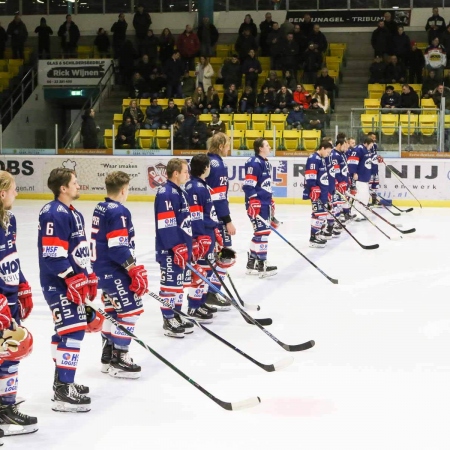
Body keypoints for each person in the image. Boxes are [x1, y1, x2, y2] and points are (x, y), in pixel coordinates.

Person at [38, 167, 98, 412]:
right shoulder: (53, 213)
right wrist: (72, 278)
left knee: (66, 331)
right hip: (58, 284)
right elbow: (53, 255)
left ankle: (62, 381)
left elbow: (79, 251)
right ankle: (64, 389)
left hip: (72, 283)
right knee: (73, 332)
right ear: (63, 188)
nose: (78, 185)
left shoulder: (73, 212)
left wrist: (88, 275)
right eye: (74, 182)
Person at [91, 171, 148, 378]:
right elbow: (117, 247)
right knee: (130, 311)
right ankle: (119, 358)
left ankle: (107, 356)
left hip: (102, 270)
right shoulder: (119, 211)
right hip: (115, 270)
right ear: (124, 189)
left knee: (112, 312)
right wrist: (132, 268)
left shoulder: (101, 207)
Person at [0, 171, 37, 434]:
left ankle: (6, 405)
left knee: (12, 353)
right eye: (14, 189)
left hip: (10, 300)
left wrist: (22, 285)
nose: (17, 193)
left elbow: (11, 256)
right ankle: (5, 409)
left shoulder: (9, 220)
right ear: (2, 193)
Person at [154, 158, 193, 337]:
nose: (188, 175)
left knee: (177, 285)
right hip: (169, 249)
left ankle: (176, 313)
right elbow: (166, 223)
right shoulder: (165, 193)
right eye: (185, 171)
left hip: (180, 247)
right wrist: (175, 246)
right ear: (176, 173)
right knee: (170, 285)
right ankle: (168, 318)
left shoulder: (179, 192)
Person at [204, 133, 235, 310]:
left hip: (205, 217)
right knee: (226, 255)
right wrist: (227, 220)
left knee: (208, 257)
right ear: (221, 145)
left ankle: (206, 292)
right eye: (228, 144)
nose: (229, 147)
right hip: (216, 218)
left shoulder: (206, 160)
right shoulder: (218, 164)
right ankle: (212, 291)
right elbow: (219, 196)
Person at [243, 138, 277, 278]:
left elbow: (264, 185)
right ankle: (262, 264)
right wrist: (253, 201)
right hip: (258, 204)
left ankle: (252, 263)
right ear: (260, 148)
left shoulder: (265, 162)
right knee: (263, 232)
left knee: (260, 232)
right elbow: (248, 185)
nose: (270, 147)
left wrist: (270, 199)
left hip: (264, 202)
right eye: (267, 145)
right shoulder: (254, 162)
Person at [302, 140, 333, 247]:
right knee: (318, 214)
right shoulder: (313, 158)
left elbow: (323, 177)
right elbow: (310, 175)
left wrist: (327, 192)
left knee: (322, 214)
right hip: (317, 193)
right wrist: (313, 188)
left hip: (323, 192)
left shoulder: (321, 159)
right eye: (328, 152)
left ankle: (317, 234)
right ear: (323, 148)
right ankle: (313, 238)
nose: (328, 154)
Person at [347, 137, 374, 221]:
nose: (371, 147)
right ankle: (355, 213)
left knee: (365, 197)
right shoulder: (358, 149)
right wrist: (354, 173)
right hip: (360, 178)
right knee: (360, 196)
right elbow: (352, 162)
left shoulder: (367, 150)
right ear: (366, 143)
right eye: (370, 145)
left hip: (365, 178)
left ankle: (362, 212)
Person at [367, 132, 384, 207]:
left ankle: (374, 200)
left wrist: (378, 157)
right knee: (368, 185)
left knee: (375, 184)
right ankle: (366, 201)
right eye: (373, 137)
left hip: (375, 168)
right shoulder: (366, 146)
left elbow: (374, 155)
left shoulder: (375, 145)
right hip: (368, 169)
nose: (374, 139)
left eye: (375, 138)